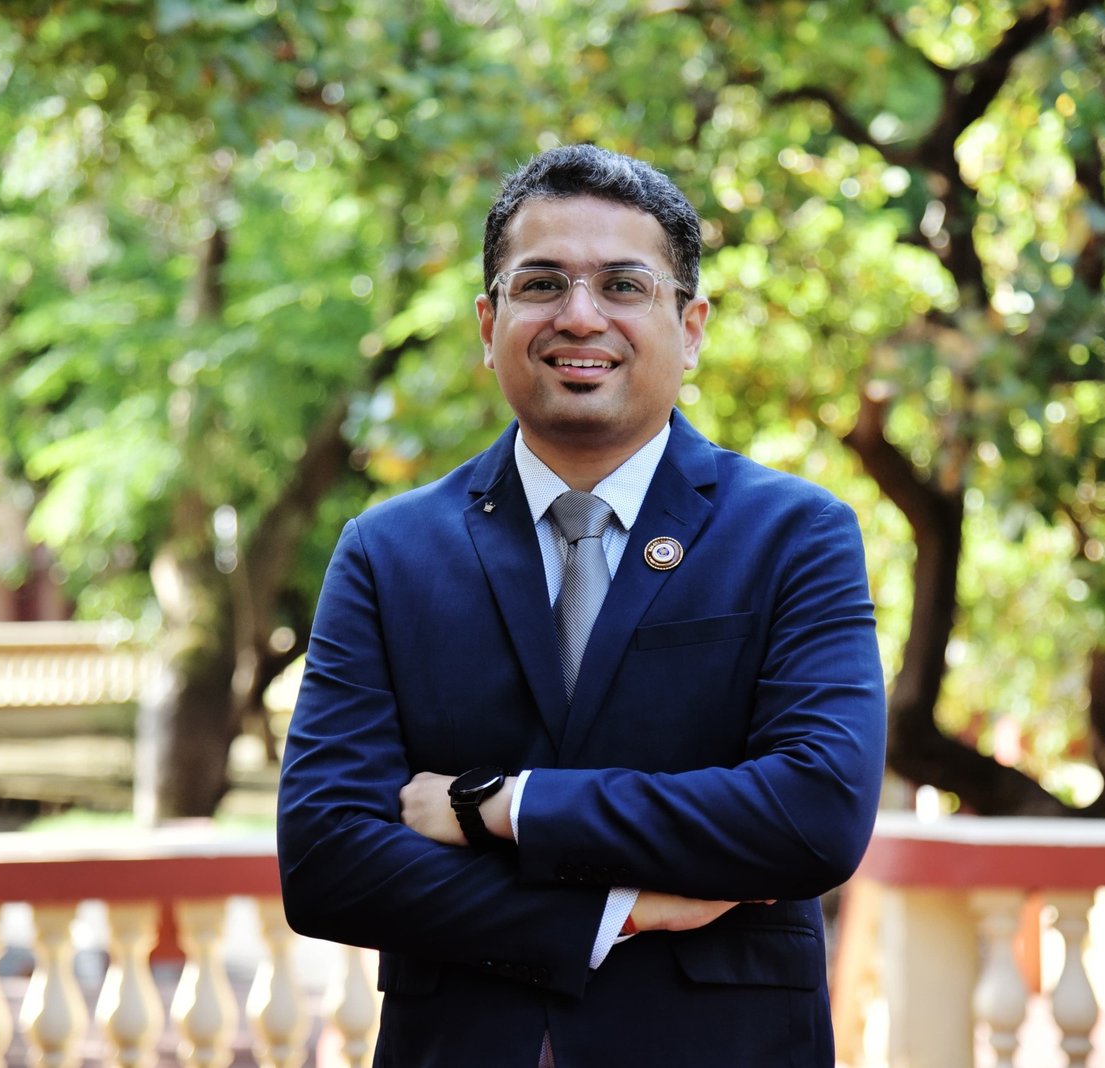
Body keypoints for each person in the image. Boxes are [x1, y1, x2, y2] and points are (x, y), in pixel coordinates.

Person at [277, 144, 886, 1067]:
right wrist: (611, 913)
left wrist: (504, 806)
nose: (580, 315)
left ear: (690, 327)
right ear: (489, 325)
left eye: (624, 286)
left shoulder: (795, 535)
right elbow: (327, 861)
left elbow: (814, 813)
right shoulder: (388, 552)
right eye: (542, 284)